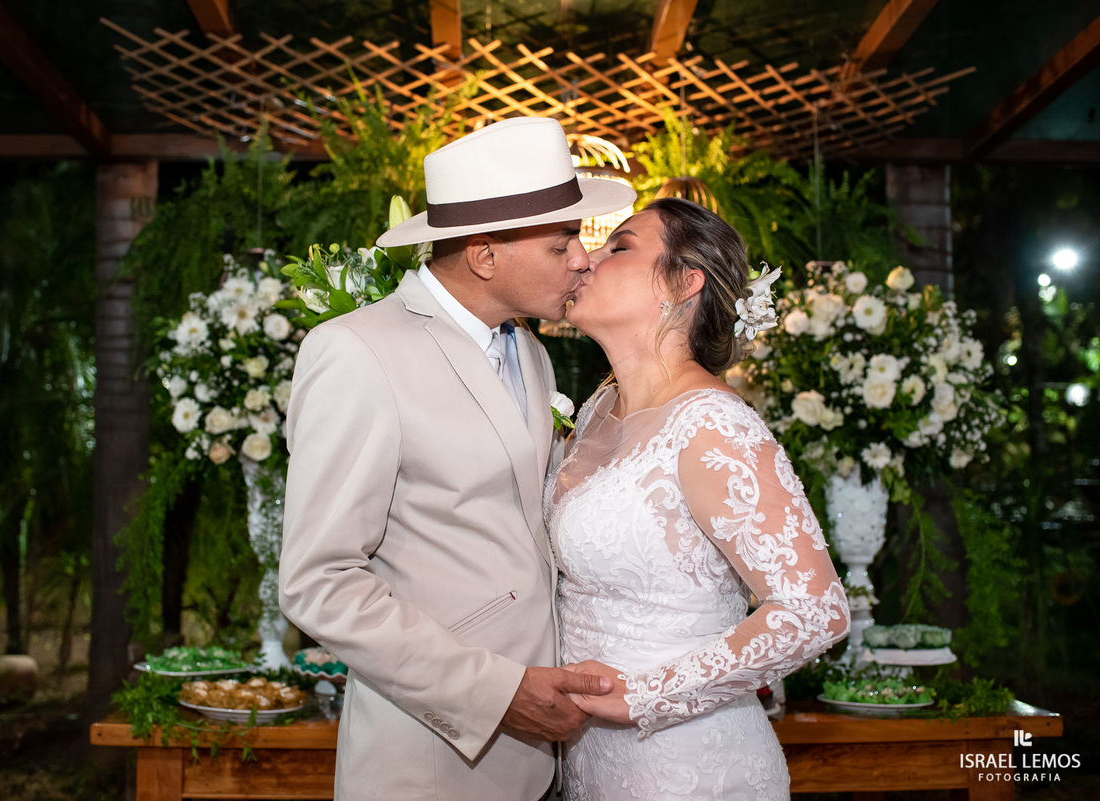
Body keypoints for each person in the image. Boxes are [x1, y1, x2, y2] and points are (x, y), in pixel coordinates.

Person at [279, 117, 637, 801]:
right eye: (563, 242)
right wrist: (498, 692)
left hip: (544, 762)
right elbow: (318, 581)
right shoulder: (357, 350)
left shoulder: (529, 351)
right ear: (484, 253)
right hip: (429, 761)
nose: (583, 259)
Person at [547, 197, 851, 801]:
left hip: (691, 768)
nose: (585, 261)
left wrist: (646, 696)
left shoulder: (712, 424)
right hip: (589, 764)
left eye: (620, 247)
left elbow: (817, 611)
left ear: (684, 283)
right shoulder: (597, 412)